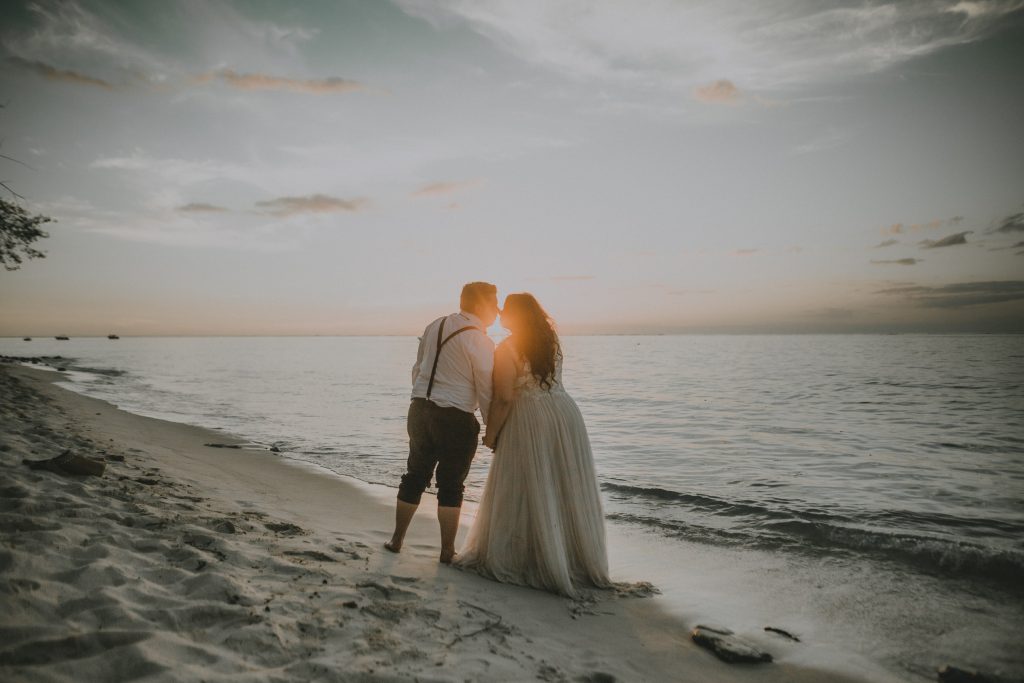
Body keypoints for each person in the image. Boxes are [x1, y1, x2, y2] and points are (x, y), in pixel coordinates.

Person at [455, 293, 612, 597]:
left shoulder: (507, 348)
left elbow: (503, 398)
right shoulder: (551, 343)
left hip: (530, 418)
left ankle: (530, 558)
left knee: (524, 486)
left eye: (505, 310)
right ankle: (568, 557)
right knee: (562, 484)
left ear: (516, 316)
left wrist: (491, 434)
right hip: (564, 414)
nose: (499, 313)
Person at [385, 282, 499, 564]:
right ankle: (447, 551)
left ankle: (397, 539)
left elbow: (417, 367)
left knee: (414, 475)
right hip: (455, 416)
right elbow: (485, 389)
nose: (497, 311)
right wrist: (493, 429)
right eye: (494, 304)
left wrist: (424, 398)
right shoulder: (479, 340)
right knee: (451, 485)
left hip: (419, 409)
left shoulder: (435, 325)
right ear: (481, 306)